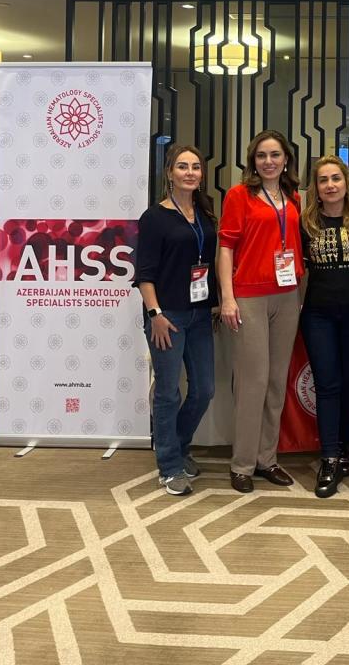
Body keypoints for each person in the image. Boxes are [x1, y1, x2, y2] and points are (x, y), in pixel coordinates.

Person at [217, 129, 305, 493]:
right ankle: (242, 464)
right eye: (261, 156)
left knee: (275, 381)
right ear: (253, 161)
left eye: (275, 155)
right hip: (249, 298)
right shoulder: (240, 195)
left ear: (286, 160)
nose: (268, 162)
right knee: (252, 382)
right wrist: (227, 297)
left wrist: (300, 294)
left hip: (287, 297)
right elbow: (226, 248)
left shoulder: (294, 197)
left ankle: (267, 459)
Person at [134, 144, 218, 496]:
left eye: (195, 167)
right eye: (182, 166)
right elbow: (144, 273)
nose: (190, 172)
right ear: (169, 172)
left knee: (204, 389)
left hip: (200, 313)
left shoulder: (205, 212)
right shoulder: (154, 217)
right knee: (168, 392)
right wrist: (154, 314)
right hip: (167, 315)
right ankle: (169, 466)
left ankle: (178, 446)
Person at [300, 155, 349, 498]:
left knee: (348, 383)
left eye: (336, 178)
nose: (330, 185)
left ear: (347, 183)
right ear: (315, 188)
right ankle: (329, 457)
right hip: (318, 316)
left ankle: (344, 446)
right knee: (327, 385)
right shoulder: (305, 224)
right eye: (323, 180)